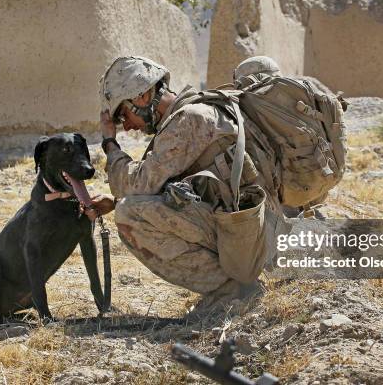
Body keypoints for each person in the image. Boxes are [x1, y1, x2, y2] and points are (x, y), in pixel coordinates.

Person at [90, 56, 288, 311]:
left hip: (254, 239)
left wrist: (110, 143)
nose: (126, 126)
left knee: (130, 215)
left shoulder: (190, 119)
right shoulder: (198, 111)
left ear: (141, 97)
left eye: (123, 114)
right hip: (259, 229)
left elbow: (136, 187)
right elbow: (173, 189)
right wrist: (113, 201)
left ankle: (233, 292)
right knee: (127, 206)